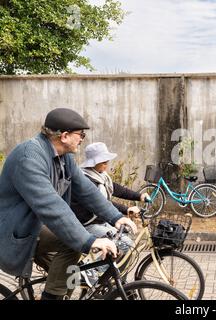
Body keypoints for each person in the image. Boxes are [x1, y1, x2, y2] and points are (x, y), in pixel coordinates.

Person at [0, 108, 137, 300]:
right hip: (19, 230)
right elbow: (51, 205)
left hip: (38, 225)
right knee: (74, 243)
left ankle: (58, 293)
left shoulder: (64, 158)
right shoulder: (29, 157)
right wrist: (89, 241)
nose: (82, 138)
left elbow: (87, 191)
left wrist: (116, 217)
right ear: (64, 136)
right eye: (80, 134)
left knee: (72, 272)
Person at [71, 142, 149, 283]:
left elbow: (119, 190)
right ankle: (88, 271)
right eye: (103, 161)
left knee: (125, 238)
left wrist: (139, 196)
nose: (106, 163)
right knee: (125, 243)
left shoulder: (102, 176)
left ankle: (112, 279)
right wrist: (125, 210)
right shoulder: (86, 180)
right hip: (86, 224)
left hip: (100, 220)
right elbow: (102, 203)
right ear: (93, 162)